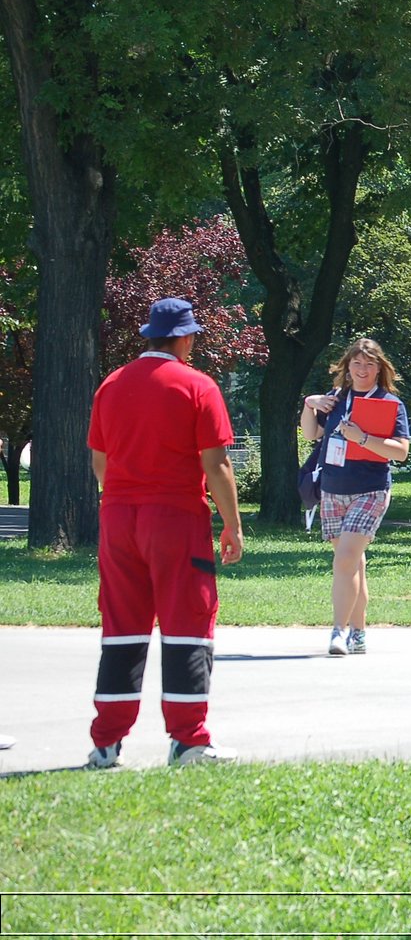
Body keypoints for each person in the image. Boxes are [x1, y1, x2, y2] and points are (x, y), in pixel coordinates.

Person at [85, 298, 244, 768]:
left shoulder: (110, 386)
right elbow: (216, 464)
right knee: (187, 626)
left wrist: (124, 499)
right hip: (174, 517)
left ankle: (105, 742)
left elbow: (100, 462)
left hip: (117, 516)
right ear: (185, 338)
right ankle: (188, 740)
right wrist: (232, 525)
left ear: (148, 335)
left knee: (121, 628)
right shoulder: (197, 385)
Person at [301, 338, 411, 656]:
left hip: (371, 490)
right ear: (347, 367)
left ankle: (338, 632)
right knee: (353, 565)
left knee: (345, 560)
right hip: (333, 489)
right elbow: (311, 434)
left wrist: (362, 438)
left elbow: (401, 452)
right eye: (357, 363)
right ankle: (359, 633)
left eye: (369, 364)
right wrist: (310, 404)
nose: (363, 370)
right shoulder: (335, 399)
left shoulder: (390, 403)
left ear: (380, 369)